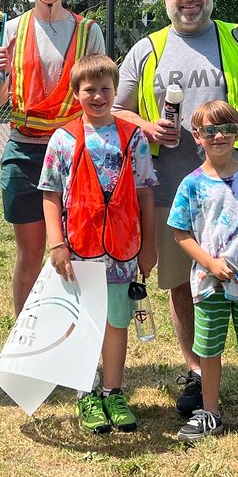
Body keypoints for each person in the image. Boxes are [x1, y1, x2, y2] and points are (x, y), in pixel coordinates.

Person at [113, 0, 238, 430]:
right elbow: (116, 111)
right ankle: (197, 372)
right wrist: (146, 124)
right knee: (183, 287)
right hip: (173, 193)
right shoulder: (147, 49)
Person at [0, 0, 106, 314]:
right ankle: (26, 345)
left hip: (73, 153)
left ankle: (72, 343)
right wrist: (0, 70)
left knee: (77, 250)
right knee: (32, 251)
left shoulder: (89, 33)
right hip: (25, 152)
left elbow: (100, 96)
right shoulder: (11, 28)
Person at [39, 54, 157, 433]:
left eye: (106, 89)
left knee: (116, 322)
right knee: (85, 323)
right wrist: (56, 244)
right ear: (76, 94)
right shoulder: (63, 139)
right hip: (79, 251)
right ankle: (85, 393)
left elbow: (145, 195)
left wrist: (148, 246)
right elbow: (51, 194)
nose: (98, 96)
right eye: (89, 90)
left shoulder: (132, 137)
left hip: (122, 250)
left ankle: (113, 391)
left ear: (115, 91)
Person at [168, 100, 238, 449]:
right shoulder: (191, 185)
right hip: (208, 286)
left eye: (227, 129)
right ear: (197, 136)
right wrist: (209, 263)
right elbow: (180, 233)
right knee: (208, 350)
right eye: (209, 130)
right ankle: (209, 412)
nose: (218, 136)